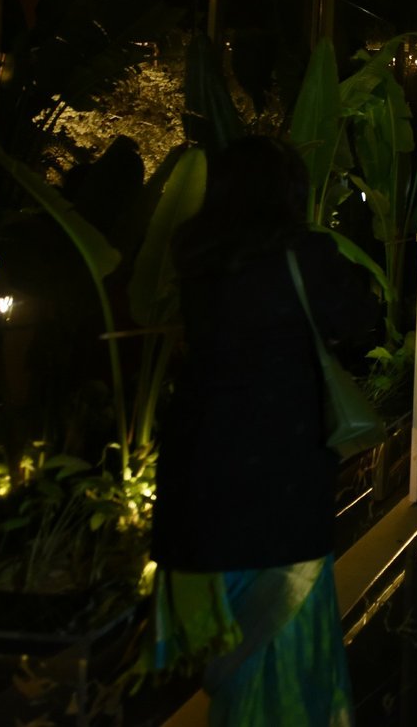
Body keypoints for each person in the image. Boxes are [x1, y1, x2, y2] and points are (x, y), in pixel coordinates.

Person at [149, 135, 377, 725]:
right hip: (283, 466)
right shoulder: (307, 254)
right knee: (289, 626)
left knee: (233, 637)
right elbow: (360, 320)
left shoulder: (194, 252)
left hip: (203, 463)